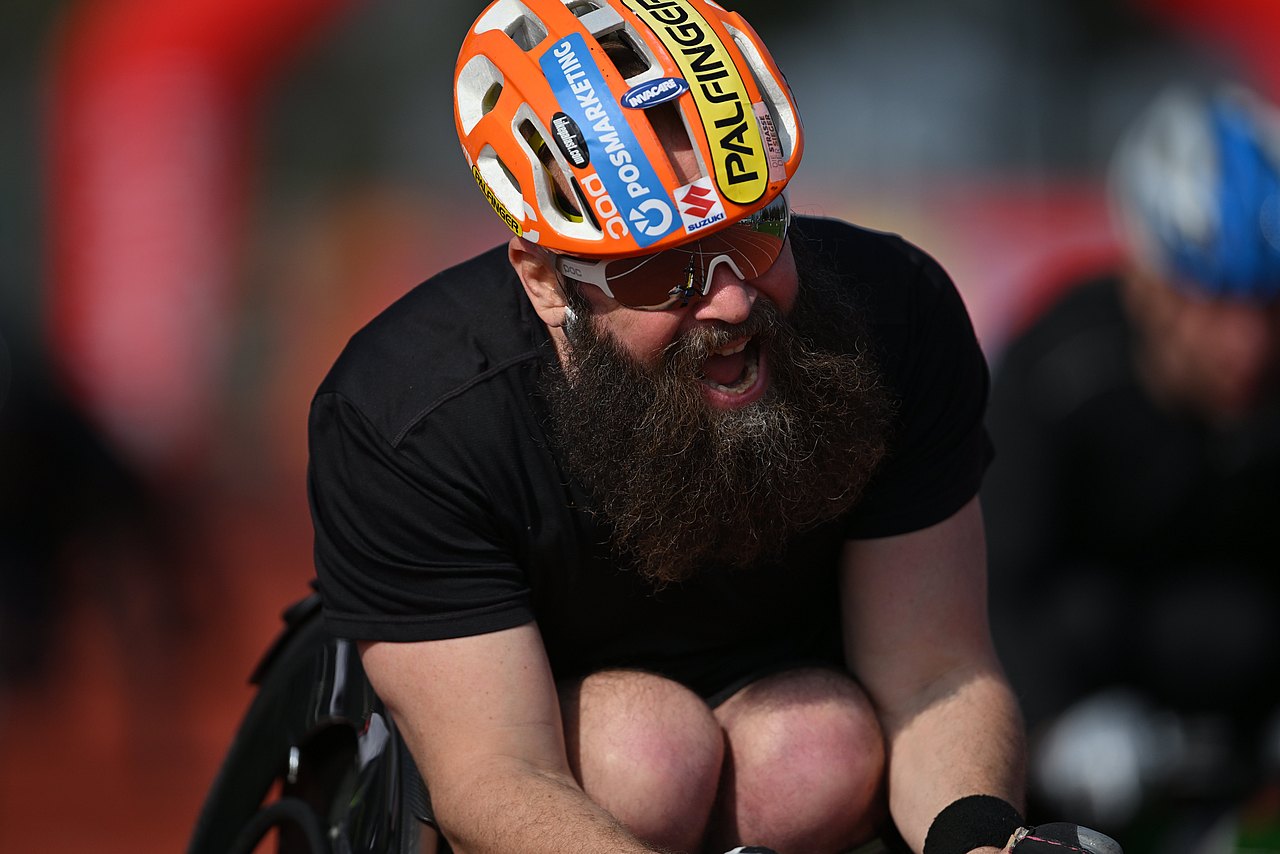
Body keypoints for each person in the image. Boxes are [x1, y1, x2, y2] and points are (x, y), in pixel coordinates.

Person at [308, 2, 1038, 852]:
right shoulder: (410, 413)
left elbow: (936, 677)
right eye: (664, 270)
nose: (731, 299)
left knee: (819, 752)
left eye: (756, 232)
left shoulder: (896, 315)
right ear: (548, 283)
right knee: (646, 755)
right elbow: (496, 773)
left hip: (801, 732)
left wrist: (982, 841)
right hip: (558, 754)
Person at [983, 82, 1280, 838]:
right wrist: (1056, 722)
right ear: (1147, 281)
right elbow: (996, 580)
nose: (1248, 343)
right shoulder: (1059, 368)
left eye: (1269, 305)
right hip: (1082, 699)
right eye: (1215, 300)